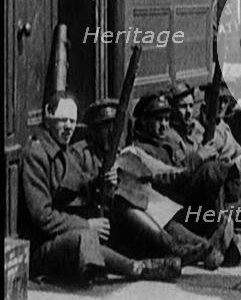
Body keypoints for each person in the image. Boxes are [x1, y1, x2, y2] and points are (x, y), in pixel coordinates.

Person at [20, 91, 181, 283]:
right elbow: (43, 217)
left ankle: (167, 250)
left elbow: (78, 184)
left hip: (62, 232)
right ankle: (138, 268)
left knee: (116, 207)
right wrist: (86, 224)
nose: (69, 127)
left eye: (72, 121)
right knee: (84, 237)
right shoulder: (36, 154)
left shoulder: (61, 149)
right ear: (49, 118)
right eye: (63, 120)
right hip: (41, 246)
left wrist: (100, 181)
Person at [73, 98, 211, 266]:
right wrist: (98, 183)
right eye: (105, 127)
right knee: (124, 199)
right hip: (107, 224)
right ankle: (173, 247)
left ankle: (204, 247)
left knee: (150, 202)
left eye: (115, 126)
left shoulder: (123, 153)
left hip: (137, 221)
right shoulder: (80, 153)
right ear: (93, 131)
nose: (111, 132)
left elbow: (154, 175)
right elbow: (74, 190)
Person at [130, 93, 241, 269]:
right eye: (159, 119)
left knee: (216, 172)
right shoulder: (139, 149)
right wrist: (198, 157)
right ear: (143, 121)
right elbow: (165, 177)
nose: (164, 125)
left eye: (167, 119)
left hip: (185, 205)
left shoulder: (168, 142)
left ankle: (220, 232)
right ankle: (217, 241)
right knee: (212, 171)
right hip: (166, 211)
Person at [169, 82, 241, 210]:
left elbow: (240, 152)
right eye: (218, 101)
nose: (222, 106)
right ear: (206, 101)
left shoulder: (223, 125)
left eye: (225, 101)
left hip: (235, 180)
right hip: (220, 188)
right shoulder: (199, 130)